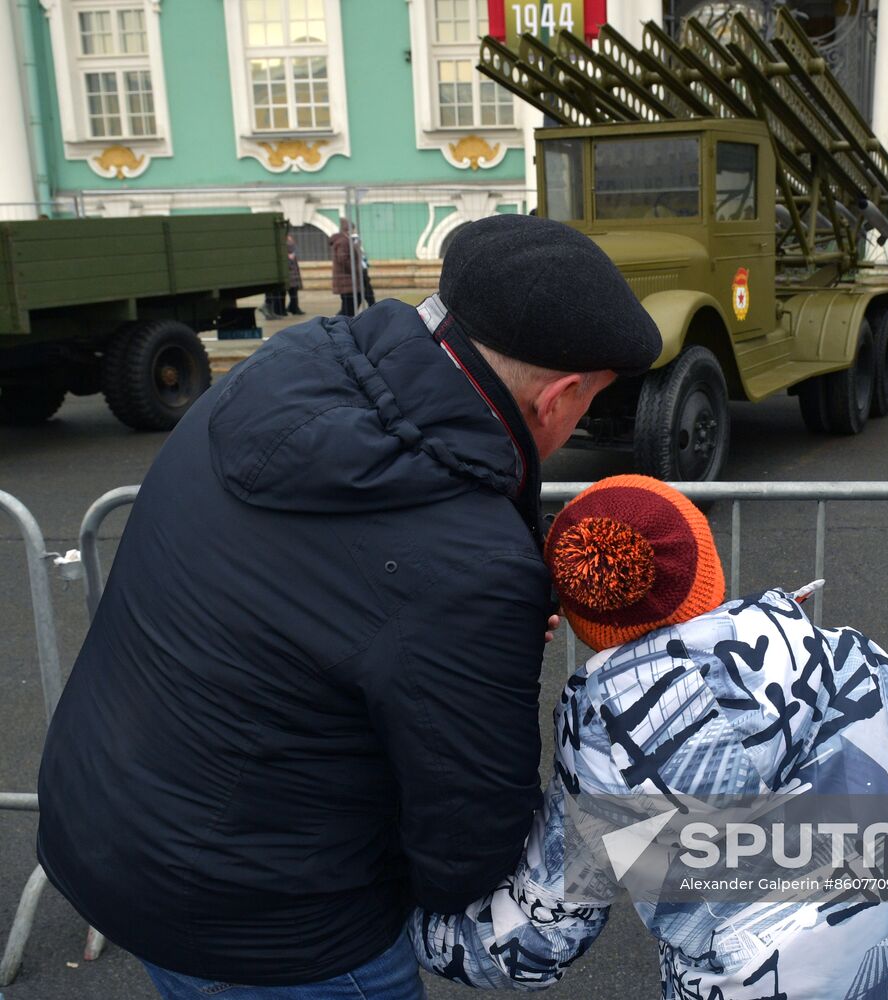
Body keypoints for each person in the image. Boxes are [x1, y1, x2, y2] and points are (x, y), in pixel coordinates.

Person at [36, 215, 661, 998]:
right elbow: (469, 840)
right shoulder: (467, 565)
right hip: (269, 923)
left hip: (108, 825)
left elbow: (314, 606)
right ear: (562, 395)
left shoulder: (296, 363)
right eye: (590, 402)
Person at [411, 475, 888, 999]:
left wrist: (402, 927)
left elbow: (541, 937)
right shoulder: (844, 661)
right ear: (707, 565)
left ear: (582, 617)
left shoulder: (599, 744)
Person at [330, 217, 359, 317]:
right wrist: (354, 270)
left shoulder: (345, 240)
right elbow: (342, 259)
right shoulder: (343, 241)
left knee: (348, 307)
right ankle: (337, 324)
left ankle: (338, 324)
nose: (354, 231)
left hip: (346, 280)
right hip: (346, 279)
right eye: (353, 229)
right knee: (348, 309)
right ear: (348, 229)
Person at [286, 233, 305, 316]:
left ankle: (292, 307)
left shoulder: (291, 253)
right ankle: (294, 308)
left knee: (294, 291)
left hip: (293, 273)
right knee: (293, 292)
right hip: (291, 274)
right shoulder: (288, 252)